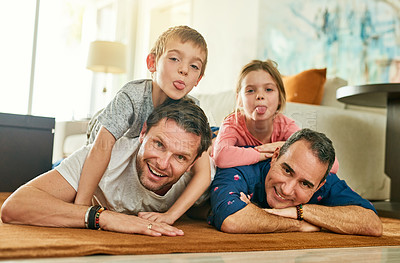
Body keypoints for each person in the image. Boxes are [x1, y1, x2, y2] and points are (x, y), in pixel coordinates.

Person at [1, 98, 213, 237]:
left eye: (180, 157)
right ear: (143, 133)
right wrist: (104, 217)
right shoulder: (105, 156)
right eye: (159, 144)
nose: (163, 164)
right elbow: (14, 207)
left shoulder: (197, 182)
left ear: (192, 164)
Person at [75, 25, 212, 225]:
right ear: (152, 62)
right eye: (174, 59)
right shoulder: (132, 96)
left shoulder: (191, 109)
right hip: (103, 133)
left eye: (194, 66)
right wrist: (80, 206)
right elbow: (101, 146)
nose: (184, 70)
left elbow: (203, 172)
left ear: (198, 79)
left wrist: (170, 215)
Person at [208, 128, 382, 236]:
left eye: (305, 184)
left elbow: (372, 224)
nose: (287, 189)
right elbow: (232, 219)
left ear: (320, 185)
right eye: (287, 170)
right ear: (275, 157)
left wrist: (299, 211)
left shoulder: (320, 178)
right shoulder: (240, 164)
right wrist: (299, 226)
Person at [212, 60, 339, 173]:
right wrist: (263, 153)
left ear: (280, 98)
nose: (260, 96)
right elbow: (220, 157)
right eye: (250, 90)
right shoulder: (233, 123)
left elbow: (333, 166)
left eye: (268, 89)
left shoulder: (285, 125)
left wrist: (281, 146)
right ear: (239, 99)